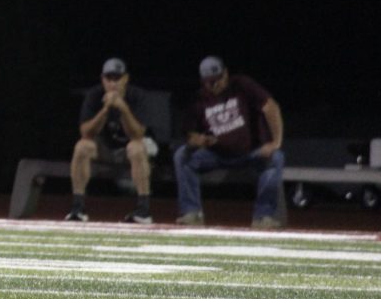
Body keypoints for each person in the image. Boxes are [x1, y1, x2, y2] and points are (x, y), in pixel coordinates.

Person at [174, 56, 286, 228]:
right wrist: (199, 140)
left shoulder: (241, 85)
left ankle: (263, 217)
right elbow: (189, 134)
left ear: (225, 73)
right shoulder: (199, 99)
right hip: (216, 154)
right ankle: (192, 213)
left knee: (276, 157)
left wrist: (276, 141)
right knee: (182, 155)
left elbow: (271, 107)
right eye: (209, 82)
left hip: (252, 151)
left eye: (217, 80)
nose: (214, 85)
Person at [65, 58, 157, 224]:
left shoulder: (137, 96)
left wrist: (123, 108)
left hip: (128, 151)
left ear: (126, 79)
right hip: (104, 149)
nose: (113, 83)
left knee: (137, 147)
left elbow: (137, 134)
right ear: (103, 79)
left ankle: (144, 210)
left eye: (117, 78)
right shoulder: (95, 95)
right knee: (82, 146)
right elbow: (86, 132)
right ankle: (78, 208)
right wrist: (105, 110)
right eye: (109, 78)